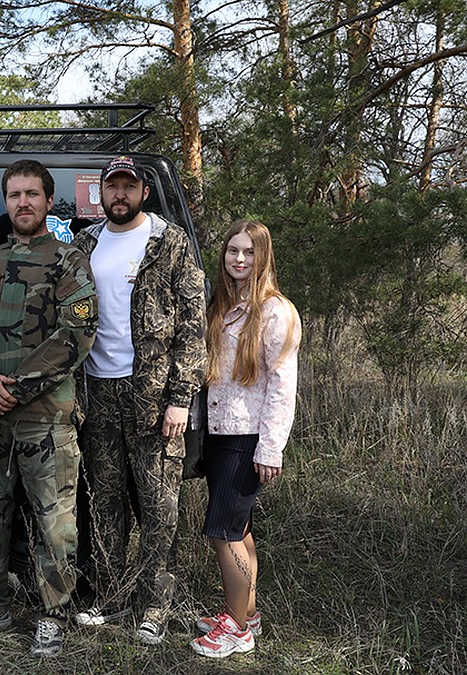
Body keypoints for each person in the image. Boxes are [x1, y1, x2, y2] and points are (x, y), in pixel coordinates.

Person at [0, 159, 98, 657]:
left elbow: (76, 335)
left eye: (33, 194)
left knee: (54, 520)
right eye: (15, 195)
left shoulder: (69, 262)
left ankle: (53, 614)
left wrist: (16, 385)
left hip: (46, 417)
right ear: (6, 201)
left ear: (49, 201)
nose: (24, 203)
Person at [71, 155, 207, 645]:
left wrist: (180, 398)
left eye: (129, 186)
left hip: (153, 397)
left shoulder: (169, 243)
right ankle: (108, 595)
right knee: (104, 502)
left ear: (143, 192)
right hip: (98, 392)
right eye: (113, 187)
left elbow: (193, 328)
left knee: (159, 506)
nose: (120, 195)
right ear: (102, 194)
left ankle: (155, 604)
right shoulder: (85, 245)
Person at [191, 219, 300, 658]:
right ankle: (246, 610)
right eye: (232, 250)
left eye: (249, 252)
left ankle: (237, 629)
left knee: (223, 532)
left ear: (263, 257)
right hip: (218, 430)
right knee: (241, 527)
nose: (239, 259)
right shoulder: (222, 303)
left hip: (247, 435)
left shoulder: (276, 311)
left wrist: (270, 448)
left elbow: (282, 385)